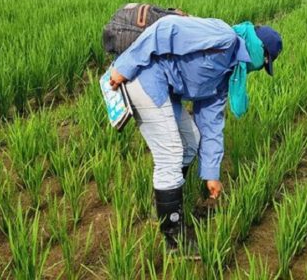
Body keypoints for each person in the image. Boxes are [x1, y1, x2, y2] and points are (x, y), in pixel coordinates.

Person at [109, 14, 282, 247]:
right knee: (170, 153)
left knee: (191, 142)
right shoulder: (224, 37)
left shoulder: (226, 76)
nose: (259, 68)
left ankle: (159, 211)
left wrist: (211, 173)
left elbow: (211, 124)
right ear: (262, 51)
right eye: (264, 63)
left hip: (167, 90)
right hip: (145, 75)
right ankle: (174, 239)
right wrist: (125, 65)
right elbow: (166, 28)